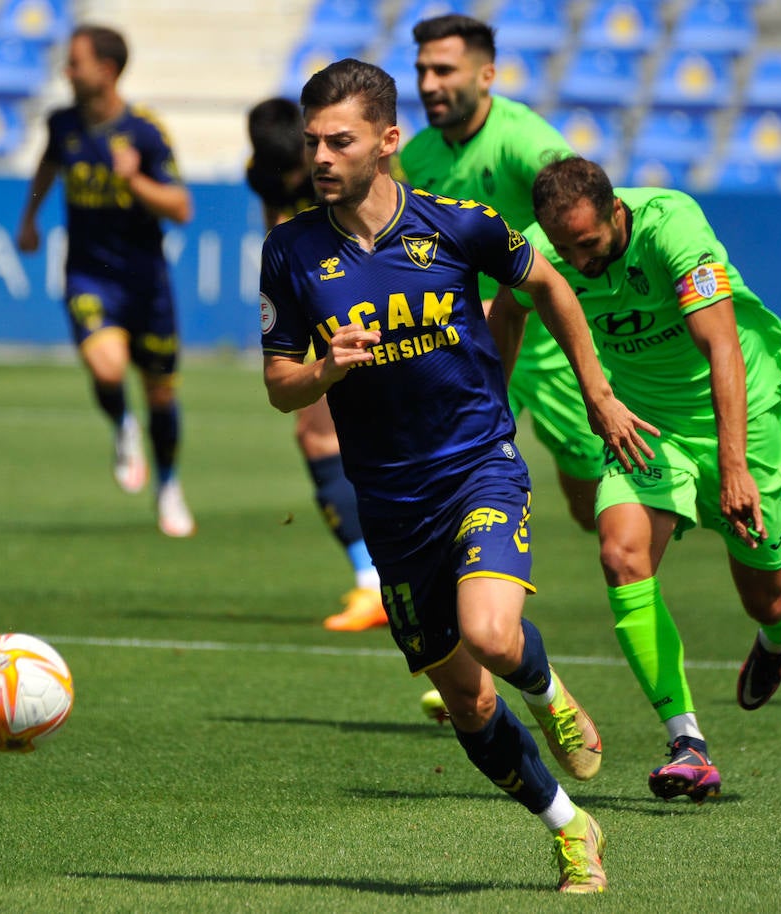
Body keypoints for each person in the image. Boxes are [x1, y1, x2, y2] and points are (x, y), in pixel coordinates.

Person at [261, 58, 654, 893]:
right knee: (470, 705)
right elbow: (276, 384)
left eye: (341, 140)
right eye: (313, 142)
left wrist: (597, 392)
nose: (322, 156)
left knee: (490, 634)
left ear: (388, 141)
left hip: (478, 465)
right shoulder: (289, 251)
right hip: (390, 504)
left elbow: (548, 284)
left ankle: (546, 690)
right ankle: (571, 828)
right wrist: (325, 369)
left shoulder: (456, 224)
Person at [492, 157, 781, 803]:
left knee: (767, 597)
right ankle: (687, 741)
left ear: (615, 213)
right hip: (646, 426)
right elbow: (510, 308)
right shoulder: (545, 247)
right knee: (621, 556)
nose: (579, 261)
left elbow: (720, 346)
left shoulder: (674, 227)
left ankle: (780, 633)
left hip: (737, 420)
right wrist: (493, 408)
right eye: (566, 248)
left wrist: (736, 467)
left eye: (590, 245)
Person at [397, 14, 607, 533]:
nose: (429, 84)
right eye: (422, 71)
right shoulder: (417, 155)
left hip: (551, 346)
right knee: (450, 490)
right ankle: (471, 608)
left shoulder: (522, 140)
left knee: (593, 510)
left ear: (486, 75)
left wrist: (512, 286)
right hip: (469, 349)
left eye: (444, 70)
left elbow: (581, 209)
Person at [15, 24, 196, 537]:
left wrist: (133, 180)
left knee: (161, 395)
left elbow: (181, 207)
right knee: (108, 368)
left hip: (146, 283)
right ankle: (122, 425)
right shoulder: (63, 123)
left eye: (75, 62)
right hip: (89, 276)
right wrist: (29, 218)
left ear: (107, 71)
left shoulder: (145, 131)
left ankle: (168, 485)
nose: (67, 72)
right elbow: (46, 168)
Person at [246, 97, 387, 631]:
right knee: (319, 436)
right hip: (319, 302)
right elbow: (276, 232)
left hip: (366, 302)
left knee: (332, 438)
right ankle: (376, 578)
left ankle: (380, 581)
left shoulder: (343, 169)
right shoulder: (259, 171)